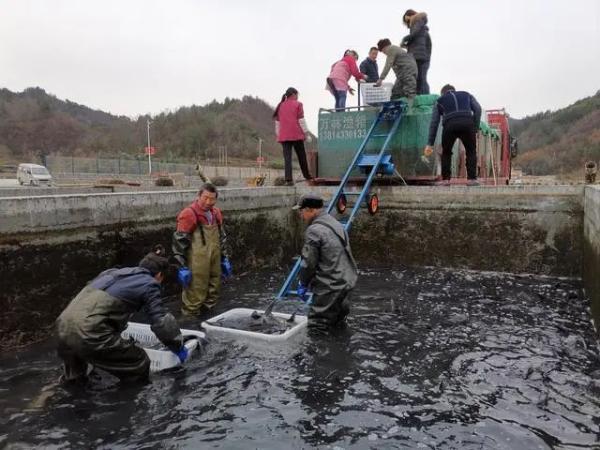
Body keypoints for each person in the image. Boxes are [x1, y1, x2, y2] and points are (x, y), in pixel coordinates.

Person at [56, 245, 187, 384]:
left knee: (75, 378)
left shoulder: (111, 273)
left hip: (62, 327)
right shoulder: (150, 284)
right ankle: (127, 403)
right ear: (159, 275)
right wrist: (177, 345)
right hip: (89, 332)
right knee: (138, 362)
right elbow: (161, 321)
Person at [293, 194, 358, 333]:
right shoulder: (335, 223)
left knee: (317, 326)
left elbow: (309, 263)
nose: (300, 214)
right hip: (346, 282)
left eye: (301, 210)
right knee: (338, 324)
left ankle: (320, 354)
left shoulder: (314, 230)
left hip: (330, 287)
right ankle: (342, 351)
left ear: (310, 210)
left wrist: (303, 283)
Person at [172, 183, 232, 317]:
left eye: (212, 199)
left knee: (214, 290)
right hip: (197, 262)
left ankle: (207, 319)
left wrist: (224, 258)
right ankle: (190, 324)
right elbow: (179, 243)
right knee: (195, 294)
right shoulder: (189, 214)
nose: (208, 202)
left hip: (214, 259)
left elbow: (222, 237)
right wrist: (181, 266)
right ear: (199, 196)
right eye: (205, 198)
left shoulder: (216, 213)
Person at [424, 84, 482, 186]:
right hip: (467, 123)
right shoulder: (467, 94)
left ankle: (446, 180)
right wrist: (475, 127)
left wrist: (430, 143)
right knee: (471, 150)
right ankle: (472, 179)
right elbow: (478, 109)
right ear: (454, 90)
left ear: (442, 93)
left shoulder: (440, 101)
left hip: (449, 125)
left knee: (446, 152)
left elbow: (434, 122)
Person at [273, 87, 313, 186]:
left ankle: (288, 180)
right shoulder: (298, 104)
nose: (297, 97)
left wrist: (279, 135)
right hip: (296, 134)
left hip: (284, 136)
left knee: (287, 158)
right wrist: (306, 133)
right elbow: (301, 120)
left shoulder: (280, 105)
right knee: (301, 156)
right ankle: (307, 175)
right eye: (297, 95)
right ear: (294, 94)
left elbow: (277, 123)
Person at [401, 9, 432, 95]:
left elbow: (414, 34)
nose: (407, 23)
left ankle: (423, 96)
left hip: (419, 57)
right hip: (422, 57)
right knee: (420, 78)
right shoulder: (421, 28)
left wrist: (404, 39)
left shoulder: (417, 22)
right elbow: (417, 42)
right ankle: (421, 96)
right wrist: (407, 46)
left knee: (420, 78)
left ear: (411, 16)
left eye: (407, 20)